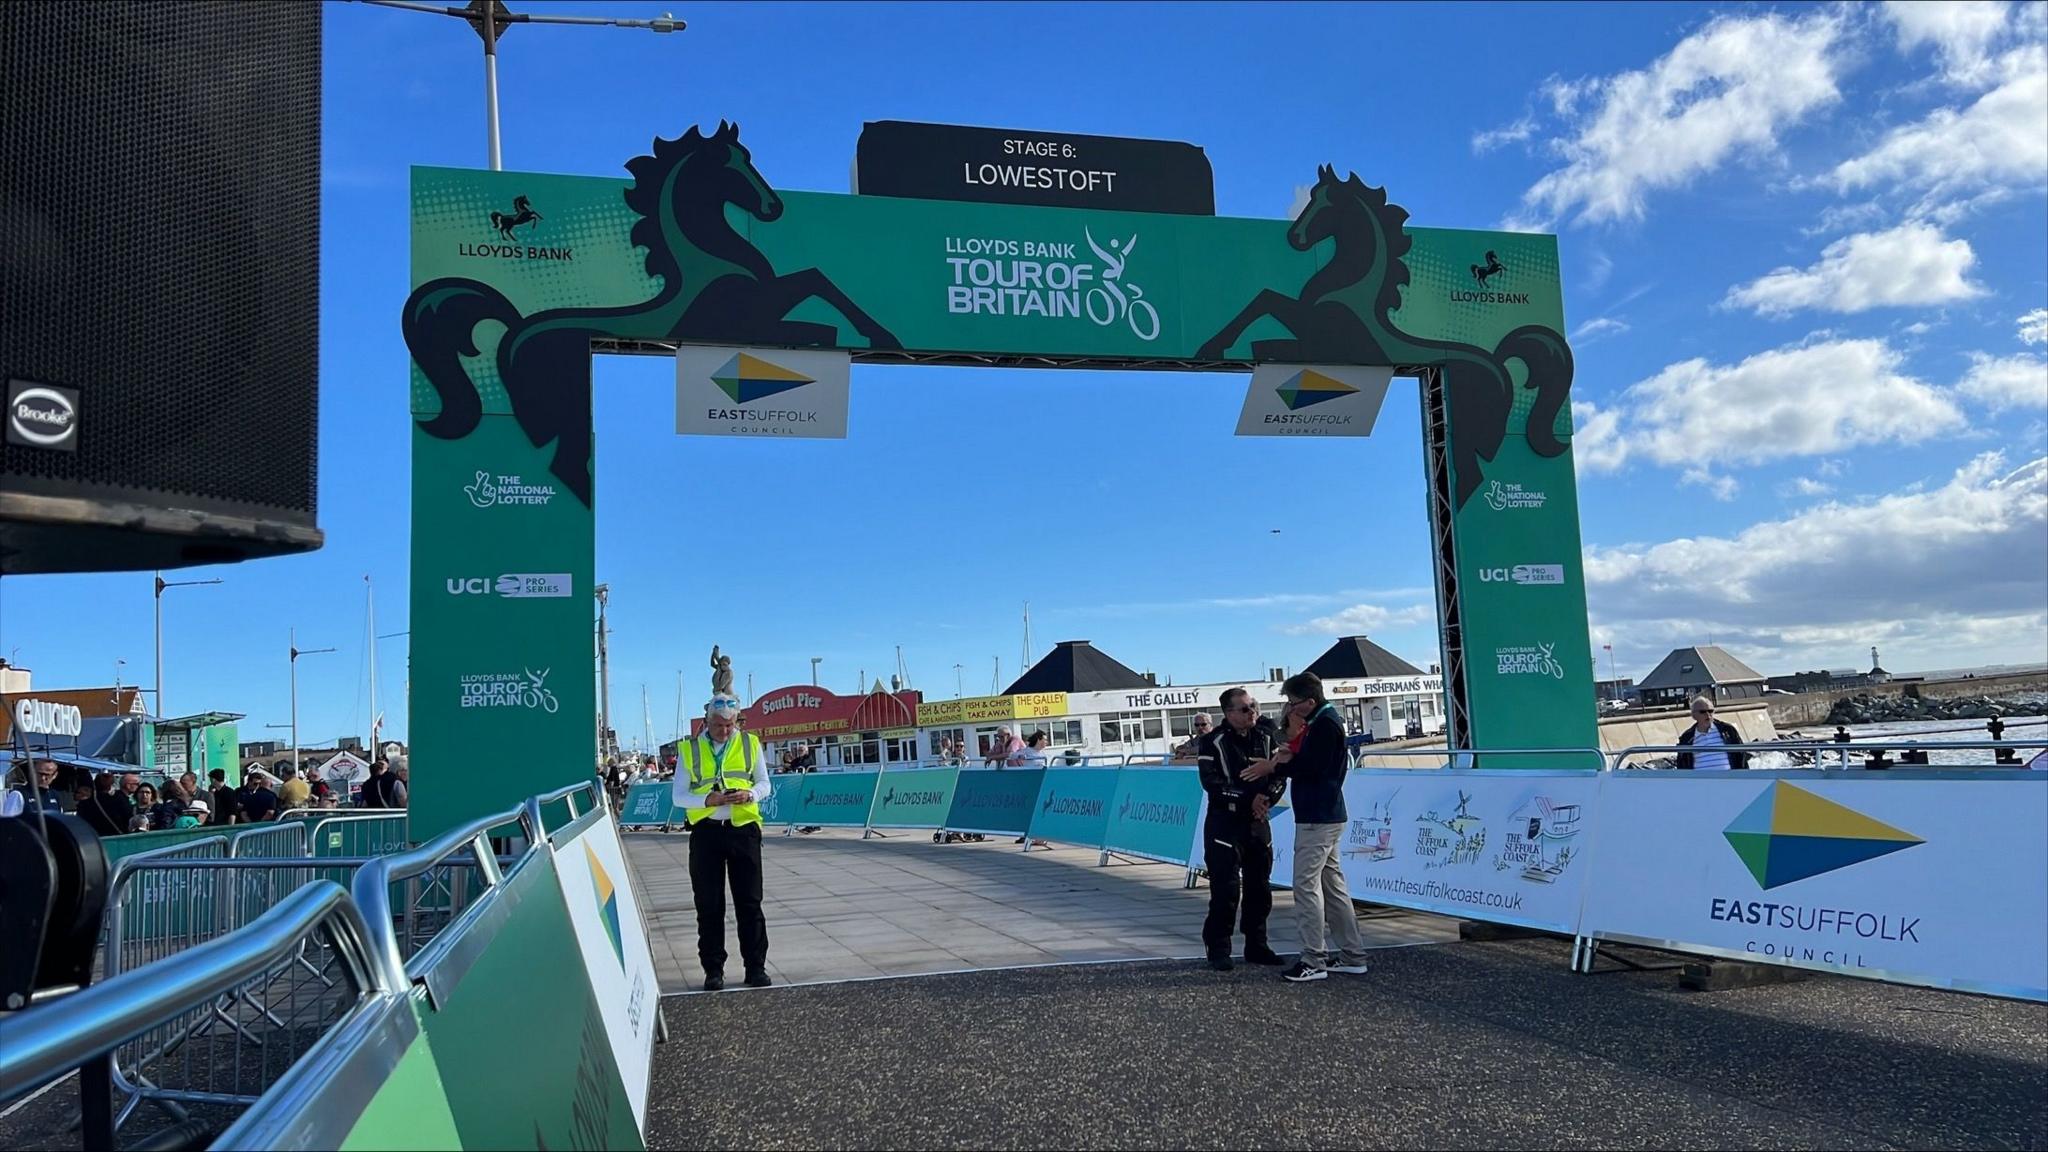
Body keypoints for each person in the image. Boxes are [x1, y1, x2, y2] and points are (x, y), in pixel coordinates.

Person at [1244, 672, 1371, 982]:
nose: (1290, 708)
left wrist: (1273, 765)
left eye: (1293, 703)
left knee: (1306, 886)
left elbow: (1311, 767)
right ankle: (1353, 954)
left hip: (1318, 817)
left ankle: (1314, 957)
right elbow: (1300, 753)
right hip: (1325, 814)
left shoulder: (1325, 725)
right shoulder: (1321, 721)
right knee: (1332, 885)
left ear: (1310, 701)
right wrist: (1285, 755)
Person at [673, 694, 773, 991]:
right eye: (719, 725)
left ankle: (755, 967)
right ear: (706, 722)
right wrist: (708, 799)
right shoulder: (689, 749)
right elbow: (678, 796)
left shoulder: (749, 743)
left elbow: (765, 783)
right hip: (706, 832)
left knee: (750, 902)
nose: (726, 731)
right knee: (709, 904)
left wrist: (750, 795)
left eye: (730, 725)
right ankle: (713, 970)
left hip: (743, 829)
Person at [1196, 689, 1288, 970]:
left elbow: (1281, 775)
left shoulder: (1266, 736)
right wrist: (1249, 798)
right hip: (1224, 823)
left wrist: (1267, 799)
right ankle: (1219, 948)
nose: (1252, 713)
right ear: (1229, 713)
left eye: (1254, 707)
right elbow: (1211, 784)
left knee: (1259, 887)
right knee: (1225, 890)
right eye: (1245, 709)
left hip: (1258, 821)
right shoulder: (1213, 742)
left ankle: (1257, 945)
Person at [1676, 696, 1748, 770]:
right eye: (1703, 712)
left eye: (1710, 711)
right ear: (1694, 715)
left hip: (1728, 779)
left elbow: (1742, 756)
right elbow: (1682, 765)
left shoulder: (1727, 731)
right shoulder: (1687, 738)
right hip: (1700, 780)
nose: (1708, 715)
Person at [80, 772, 134, 838]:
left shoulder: (85, 803)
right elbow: (129, 818)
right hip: (117, 838)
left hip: (94, 840)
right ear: (110, 785)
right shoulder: (119, 800)